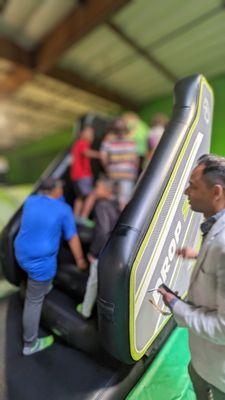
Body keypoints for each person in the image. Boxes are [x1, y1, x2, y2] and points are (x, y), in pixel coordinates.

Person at [158, 153, 225, 399]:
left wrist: (176, 306)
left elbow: (223, 328)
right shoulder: (216, 229)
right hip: (202, 360)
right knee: (194, 374)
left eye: (193, 186)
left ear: (216, 192)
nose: (187, 192)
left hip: (220, 374)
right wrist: (198, 255)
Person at [14, 177, 87, 356]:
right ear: (55, 191)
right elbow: (72, 237)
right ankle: (30, 344)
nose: (62, 189)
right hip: (40, 262)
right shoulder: (63, 210)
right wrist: (80, 260)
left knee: (39, 282)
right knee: (34, 300)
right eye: (60, 187)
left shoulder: (31, 201)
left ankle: (44, 286)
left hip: (21, 253)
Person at [77, 178, 120, 318]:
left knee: (93, 283)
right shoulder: (116, 203)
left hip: (101, 251)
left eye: (98, 187)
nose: (95, 190)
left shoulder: (101, 205)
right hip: (114, 249)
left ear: (106, 190)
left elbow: (102, 232)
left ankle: (85, 311)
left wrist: (93, 253)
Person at [100, 118, 139, 211]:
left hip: (113, 173)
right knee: (124, 201)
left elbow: (103, 156)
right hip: (127, 174)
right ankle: (121, 221)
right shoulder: (131, 140)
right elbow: (135, 158)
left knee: (110, 198)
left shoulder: (108, 139)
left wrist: (107, 168)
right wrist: (135, 172)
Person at [70, 125, 100, 223]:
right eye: (89, 133)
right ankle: (83, 217)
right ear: (82, 134)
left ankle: (75, 217)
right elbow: (86, 153)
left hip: (76, 175)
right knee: (92, 195)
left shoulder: (77, 143)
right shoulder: (83, 143)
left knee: (80, 197)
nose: (92, 136)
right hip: (83, 175)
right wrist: (100, 155)